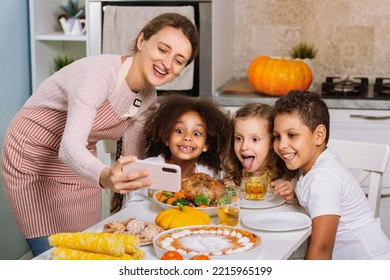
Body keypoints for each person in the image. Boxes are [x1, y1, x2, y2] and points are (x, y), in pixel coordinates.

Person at [1, 13, 199, 257]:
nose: (167, 64)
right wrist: (105, 176)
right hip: (33, 158)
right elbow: (70, 146)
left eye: (179, 60)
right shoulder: (99, 74)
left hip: (80, 163)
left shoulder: (147, 98)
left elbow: (131, 162)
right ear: (141, 41)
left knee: (89, 250)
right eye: (162, 49)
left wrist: (171, 196)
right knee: (54, 255)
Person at [273, 90, 390, 259]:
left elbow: (321, 251)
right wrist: (295, 193)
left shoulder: (323, 177)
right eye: (277, 136)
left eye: (292, 135)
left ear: (319, 135)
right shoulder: (318, 166)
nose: (282, 145)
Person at [110, 93, 229, 213]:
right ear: (166, 138)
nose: (187, 137)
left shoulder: (208, 172)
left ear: (206, 145)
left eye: (197, 133)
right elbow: (134, 206)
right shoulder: (148, 169)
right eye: (179, 131)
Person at [221, 103, 296, 200]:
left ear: (272, 142)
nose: (244, 146)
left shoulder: (285, 176)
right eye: (238, 138)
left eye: (255, 139)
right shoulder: (233, 177)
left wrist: (291, 192)